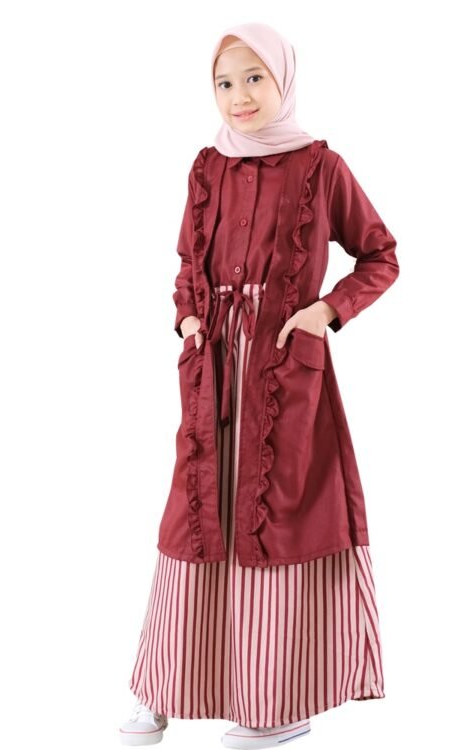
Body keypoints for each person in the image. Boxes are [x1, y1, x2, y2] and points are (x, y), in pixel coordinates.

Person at [119, 22, 399, 749]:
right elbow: (189, 265)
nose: (239, 96)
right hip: (212, 370)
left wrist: (325, 312)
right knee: (194, 516)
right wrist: (188, 320)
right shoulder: (206, 167)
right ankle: (165, 685)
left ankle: (273, 702)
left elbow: (380, 255)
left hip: (282, 374)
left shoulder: (320, 166)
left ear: (283, 80)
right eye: (224, 82)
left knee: (276, 521)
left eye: (253, 78)